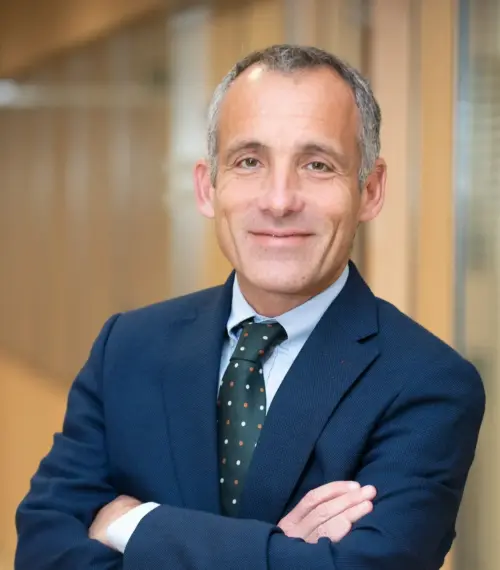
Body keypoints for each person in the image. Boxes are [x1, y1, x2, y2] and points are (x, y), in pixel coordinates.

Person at [15, 44, 484, 570]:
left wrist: (134, 524)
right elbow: (43, 550)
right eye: (249, 162)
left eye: (317, 164)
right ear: (207, 187)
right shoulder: (126, 347)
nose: (279, 200)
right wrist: (280, 549)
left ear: (370, 190)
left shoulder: (427, 383)